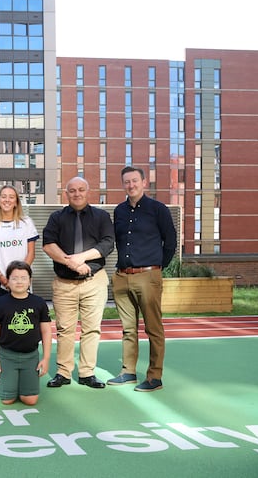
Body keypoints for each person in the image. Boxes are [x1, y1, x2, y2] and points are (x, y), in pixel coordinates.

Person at [108, 166, 177, 392]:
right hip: (122, 277)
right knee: (128, 329)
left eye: (135, 181)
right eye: (127, 182)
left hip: (148, 275)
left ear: (144, 182)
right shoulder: (119, 211)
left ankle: (154, 376)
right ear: (123, 185)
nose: (131, 185)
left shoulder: (158, 209)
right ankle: (128, 371)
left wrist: (157, 268)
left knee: (153, 328)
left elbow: (171, 242)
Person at [42, 176, 114, 390]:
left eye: (81, 189)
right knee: (65, 329)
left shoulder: (101, 216)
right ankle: (63, 373)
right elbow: (48, 244)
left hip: (94, 281)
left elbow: (108, 244)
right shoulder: (56, 217)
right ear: (66, 194)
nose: (77, 193)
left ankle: (87, 373)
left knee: (92, 329)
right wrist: (72, 264)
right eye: (72, 190)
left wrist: (81, 258)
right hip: (65, 283)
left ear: (88, 191)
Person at [0, 261, 52, 405]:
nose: (19, 282)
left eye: (23, 278)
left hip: (31, 357)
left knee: (30, 400)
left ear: (30, 280)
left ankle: (22, 382)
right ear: (7, 280)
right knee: (7, 400)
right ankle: (9, 381)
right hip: (7, 356)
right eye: (15, 278)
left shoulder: (38, 302)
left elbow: (46, 331)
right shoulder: (0, 303)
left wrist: (46, 358)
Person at [0, 186, 39, 296]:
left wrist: (18, 276)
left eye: (11, 197)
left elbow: (31, 253)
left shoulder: (26, 223)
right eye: (3, 197)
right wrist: (3, 279)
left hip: (21, 282)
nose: (7, 200)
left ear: (16, 202)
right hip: (0, 283)